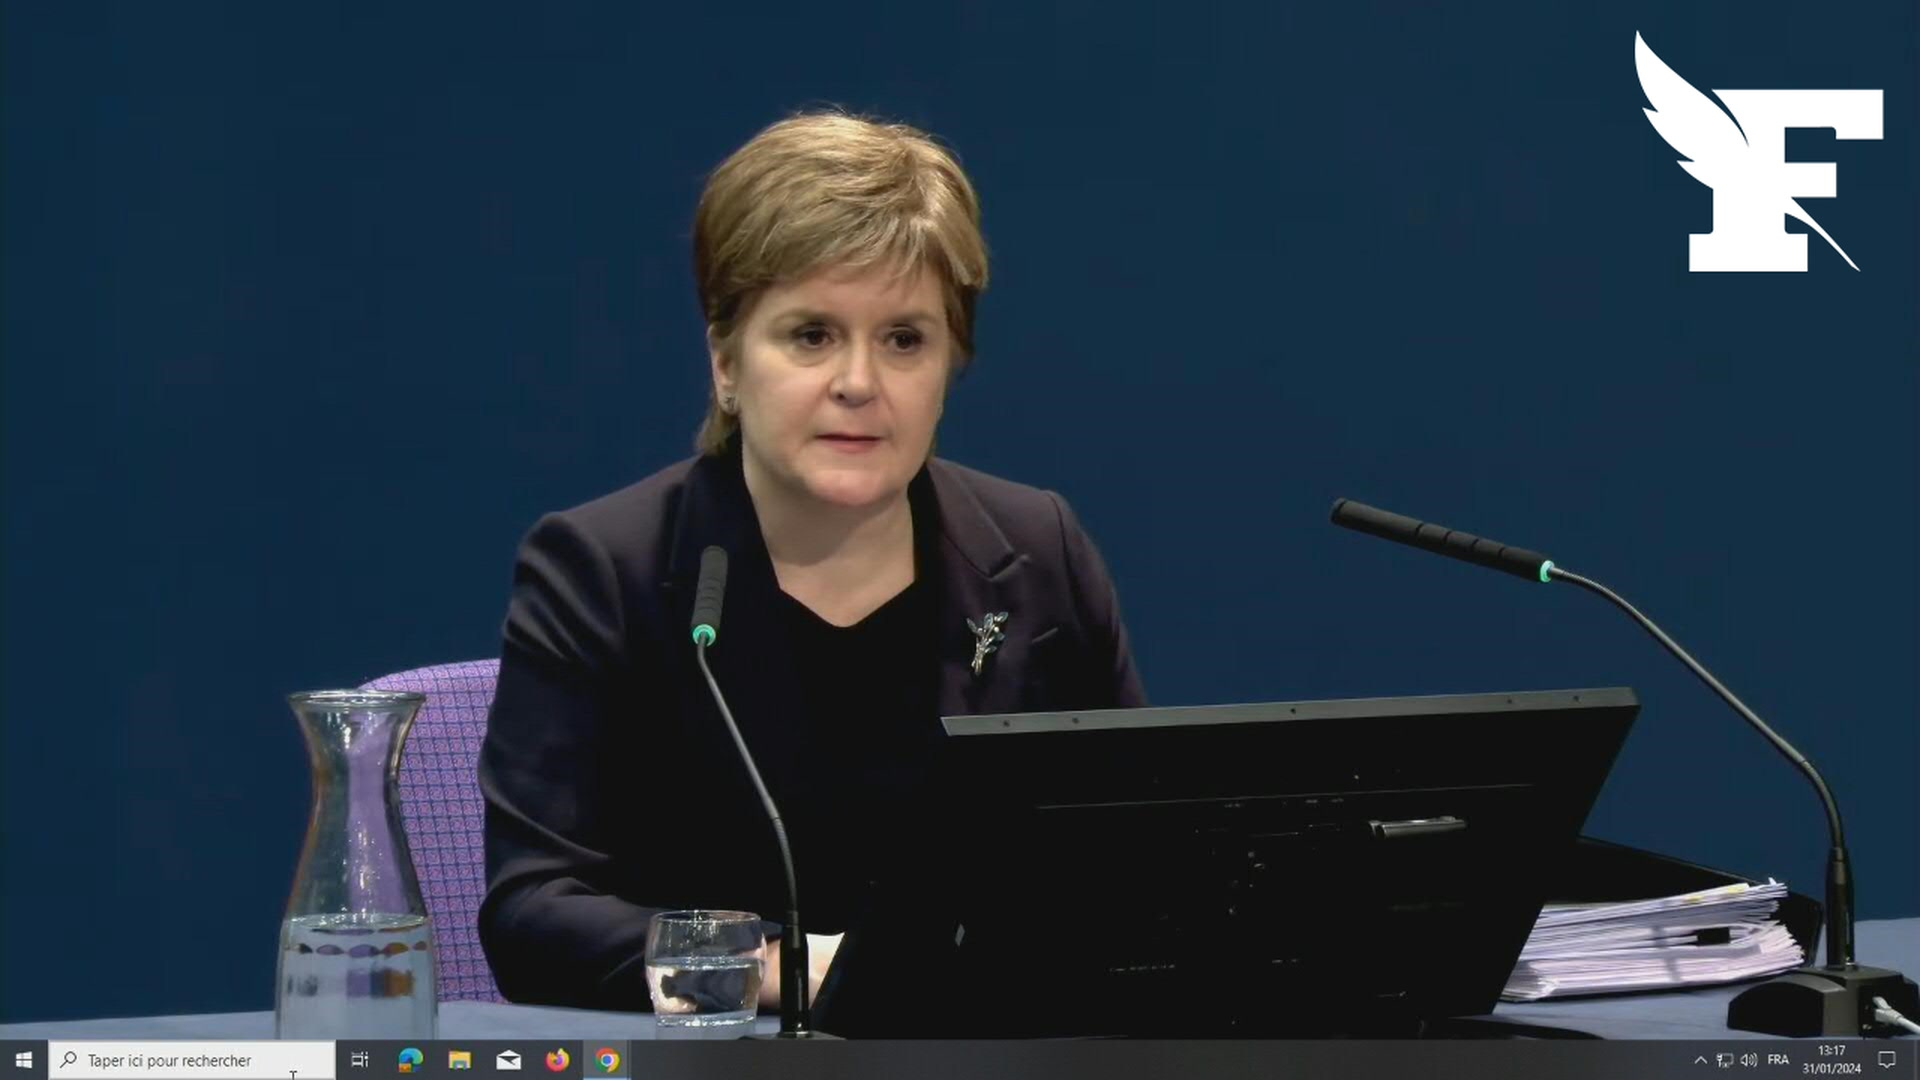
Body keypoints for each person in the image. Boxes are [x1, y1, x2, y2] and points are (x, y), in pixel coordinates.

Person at [477, 109, 1146, 1020]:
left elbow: (1138, 859)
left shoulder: (1036, 551)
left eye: (904, 339)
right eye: (811, 335)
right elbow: (532, 916)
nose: (859, 383)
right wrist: (775, 968)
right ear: (725, 364)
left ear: (950, 363)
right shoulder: (606, 569)